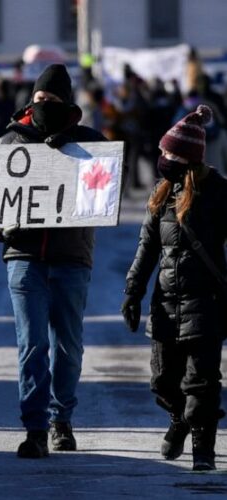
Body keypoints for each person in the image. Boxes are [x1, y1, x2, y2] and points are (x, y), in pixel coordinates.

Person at [0, 64, 106, 458]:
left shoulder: (90, 144)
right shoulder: (11, 143)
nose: (44, 105)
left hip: (72, 258)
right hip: (24, 259)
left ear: (68, 103)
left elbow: (106, 196)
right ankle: (35, 428)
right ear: (30, 101)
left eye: (53, 101)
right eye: (40, 99)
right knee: (32, 345)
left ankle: (62, 420)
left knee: (68, 348)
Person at [122, 104, 226, 471]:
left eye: (169, 153)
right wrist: (132, 291)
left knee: (201, 384)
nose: (162, 158)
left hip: (206, 304)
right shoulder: (162, 193)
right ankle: (179, 420)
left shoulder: (217, 194)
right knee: (163, 383)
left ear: (187, 159)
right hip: (165, 305)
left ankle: (203, 450)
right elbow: (146, 248)